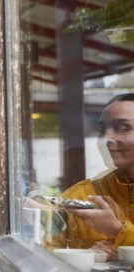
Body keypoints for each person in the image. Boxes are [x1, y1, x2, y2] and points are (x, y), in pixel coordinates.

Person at [48, 94, 134, 260]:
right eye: (102, 130)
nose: (107, 139)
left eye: (122, 128)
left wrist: (117, 231)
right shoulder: (80, 196)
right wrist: (86, 257)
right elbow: (42, 253)